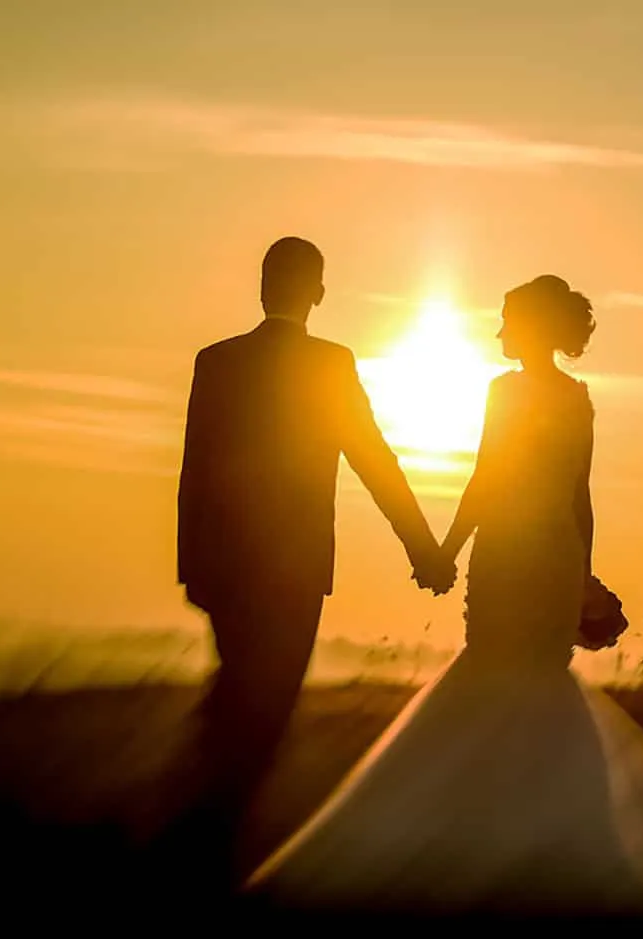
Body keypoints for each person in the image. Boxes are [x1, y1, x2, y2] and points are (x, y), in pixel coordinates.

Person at [245, 274, 643, 917]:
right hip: (552, 554)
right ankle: (550, 842)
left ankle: (469, 834)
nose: (500, 330)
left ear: (530, 325)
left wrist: (447, 551)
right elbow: (579, 499)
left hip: (509, 550)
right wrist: (581, 572)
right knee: (537, 682)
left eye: (507, 319)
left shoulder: (505, 393)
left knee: (492, 678)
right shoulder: (577, 399)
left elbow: (486, 477)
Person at [172, 236, 456, 892]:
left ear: (262, 286)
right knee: (268, 705)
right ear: (318, 292)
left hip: (227, 568)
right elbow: (373, 457)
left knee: (243, 691)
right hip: (296, 568)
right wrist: (424, 548)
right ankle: (223, 841)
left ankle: (209, 833)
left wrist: (193, 568)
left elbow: (193, 473)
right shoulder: (331, 366)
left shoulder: (217, 362)